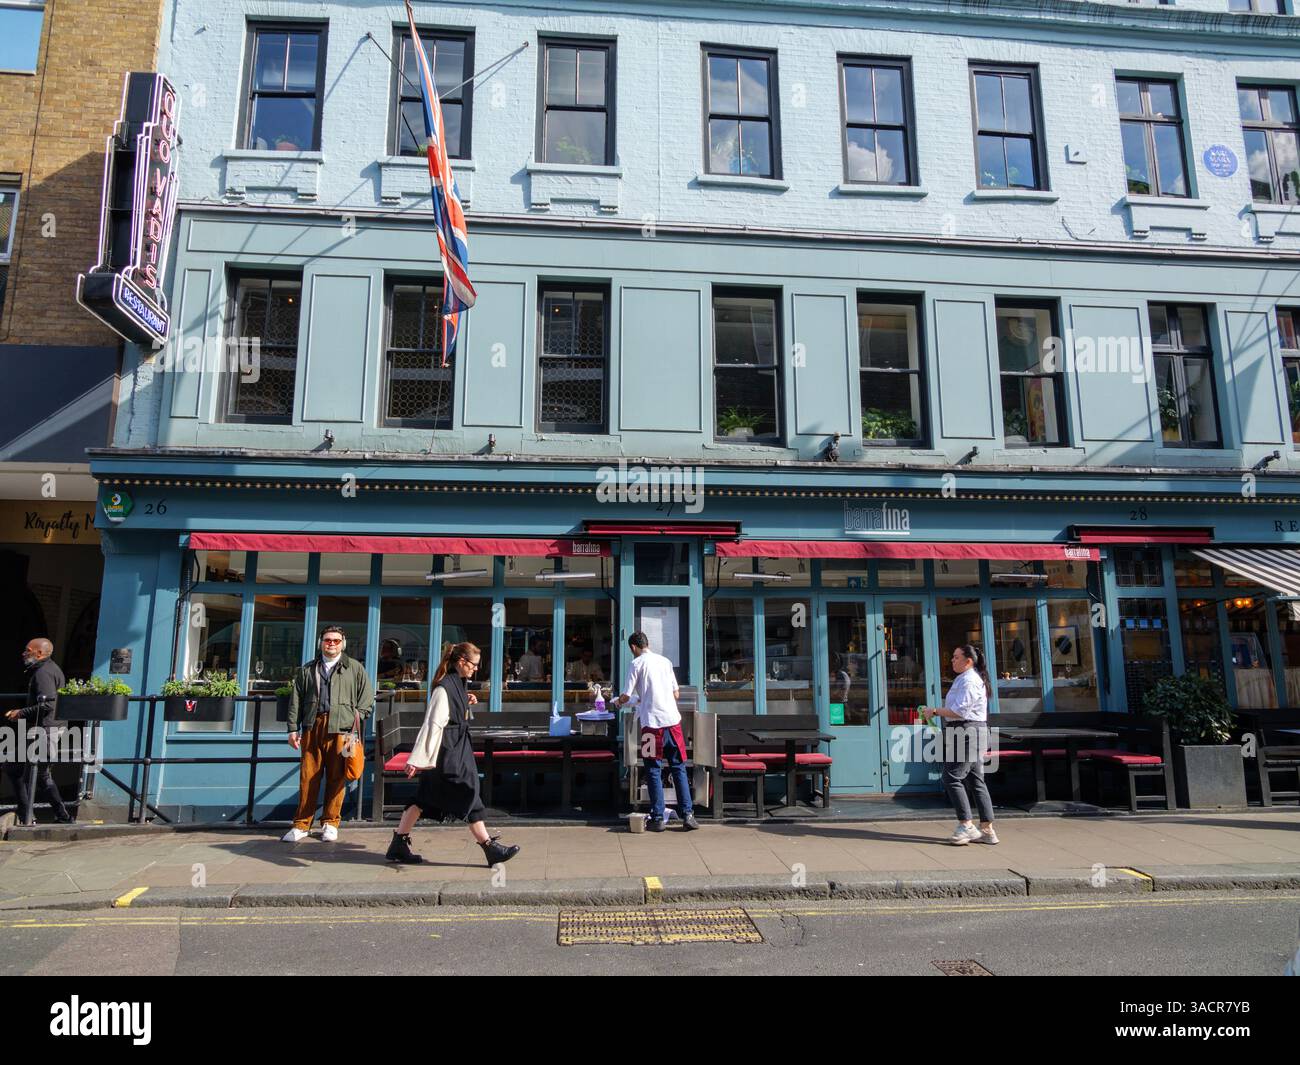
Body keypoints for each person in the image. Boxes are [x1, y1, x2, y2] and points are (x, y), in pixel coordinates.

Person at [386, 642, 520, 867]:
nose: (476, 669)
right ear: (461, 662)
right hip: (448, 751)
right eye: (474, 665)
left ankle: (398, 844)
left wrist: (465, 702)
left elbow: (450, 712)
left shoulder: (457, 683)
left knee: (423, 798)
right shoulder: (443, 688)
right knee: (468, 791)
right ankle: (489, 848)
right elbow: (433, 724)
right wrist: (416, 760)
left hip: (454, 747)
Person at [283, 626, 375, 843]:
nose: (331, 644)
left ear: (343, 643)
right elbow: (295, 699)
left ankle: (330, 823)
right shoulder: (308, 669)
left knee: (337, 776)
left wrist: (357, 716)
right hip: (313, 726)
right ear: (320, 643)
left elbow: (367, 696)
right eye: (327, 640)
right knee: (308, 777)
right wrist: (292, 729)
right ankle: (301, 824)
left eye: (335, 640)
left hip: (343, 730)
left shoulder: (354, 668)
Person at [614, 632, 699, 832]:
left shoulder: (636, 664)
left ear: (633, 647)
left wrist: (617, 702)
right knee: (678, 767)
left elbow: (626, 695)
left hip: (652, 725)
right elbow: (676, 693)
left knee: (653, 769)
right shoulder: (665, 662)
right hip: (673, 723)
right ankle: (688, 815)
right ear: (648, 644)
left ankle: (658, 817)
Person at [922, 645, 998, 846]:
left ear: (968, 661)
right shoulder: (966, 678)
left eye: (956, 657)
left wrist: (935, 711)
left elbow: (960, 711)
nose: (952, 660)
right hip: (971, 731)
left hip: (967, 732)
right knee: (975, 780)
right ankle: (987, 830)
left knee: (951, 777)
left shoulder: (970, 680)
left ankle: (966, 825)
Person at [3, 638, 72, 823]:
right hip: (44, 728)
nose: (23, 653)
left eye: (28, 650)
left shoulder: (43, 673)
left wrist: (21, 712)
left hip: (47, 729)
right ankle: (32, 814)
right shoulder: (48, 669)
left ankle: (59, 816)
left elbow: (48, 705)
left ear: (39, 653)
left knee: (39, 774)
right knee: (15, 766)